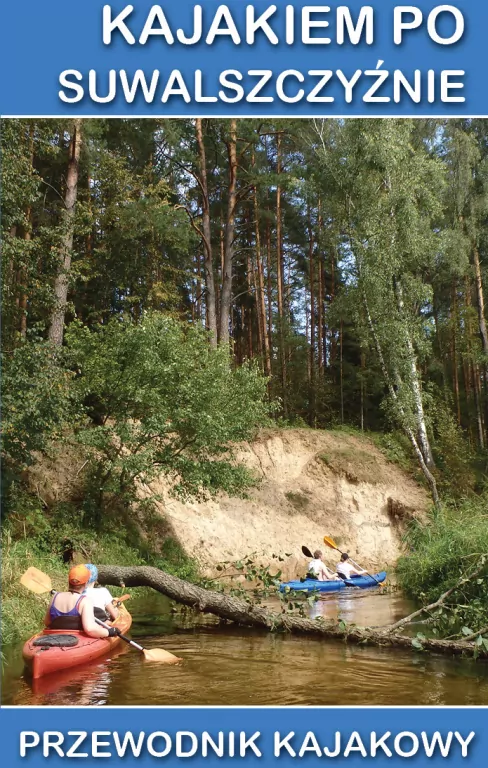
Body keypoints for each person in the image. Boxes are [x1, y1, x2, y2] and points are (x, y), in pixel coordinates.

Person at [44, 564, 120, 639]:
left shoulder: (55, 597)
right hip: (75, 639)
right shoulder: (85, 601)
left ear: (69, 581)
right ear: (86, 583)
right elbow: (90, 629)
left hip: (55, 637)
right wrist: (109, 632)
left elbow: (47, 622)